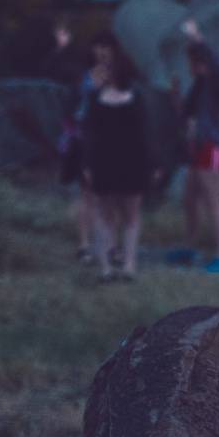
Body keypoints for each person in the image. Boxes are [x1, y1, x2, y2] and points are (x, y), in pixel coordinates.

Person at [81, 46, 160, 282]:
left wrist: (154, 163)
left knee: (131, 215)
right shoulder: (95, 98)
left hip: (131, 162)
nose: (103, 70)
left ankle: (129, 265)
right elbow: (89, 133)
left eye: (108, 66)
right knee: (104, 214)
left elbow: (145, 134)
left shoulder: (135, 98)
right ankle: (105, 267)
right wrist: (86, 164)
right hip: (104, 161)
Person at [177, 18, 219, 272]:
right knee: (190, 199)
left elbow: (216, 65)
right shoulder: (198, 86)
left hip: (211, 147)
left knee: (214, 202)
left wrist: (196, 37)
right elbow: (186, 115)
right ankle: (190, 248)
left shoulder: (212, 83)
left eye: (192, 62)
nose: (189, 66)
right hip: (196, 149)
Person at [42, 19, 98, 264]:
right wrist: (60, 47)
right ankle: (85, 244)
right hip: (81, 143)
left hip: (96, 143)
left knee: (96, 196)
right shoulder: (80, 81)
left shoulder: (106, 82)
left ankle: (95, 244)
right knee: (86, 194)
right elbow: (52, 71)